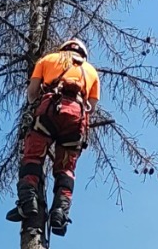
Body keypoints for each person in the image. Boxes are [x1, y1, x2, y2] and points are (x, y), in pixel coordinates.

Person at [6, 37, 100, 235]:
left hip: (49, 111)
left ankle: (28, 201)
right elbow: (91, 106)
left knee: (33, 156)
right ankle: (60, 212)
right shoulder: (91, 71)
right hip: (76, 118)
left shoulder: (48, 59)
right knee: (66, 168)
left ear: (63, 48)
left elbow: (32, 93)